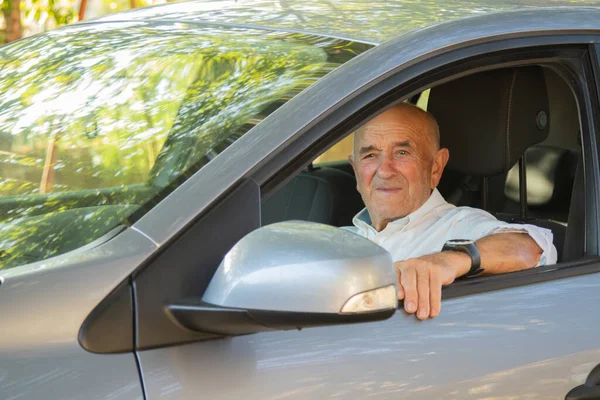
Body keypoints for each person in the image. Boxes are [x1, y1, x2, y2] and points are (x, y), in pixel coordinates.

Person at [346, 103, 557, 320]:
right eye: (370, 155)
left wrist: (447, 261)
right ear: (355, 170)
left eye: (402, 152)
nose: (384, 170)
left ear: (436, 167)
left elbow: (532, 249)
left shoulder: (458, 225)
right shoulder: (339, 239)